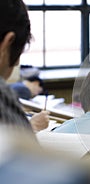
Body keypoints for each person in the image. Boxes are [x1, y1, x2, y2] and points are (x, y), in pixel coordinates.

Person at [0, 0, 49, 132]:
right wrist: (26, 129)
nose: (16, 63)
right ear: (8, 43)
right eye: (18, 54)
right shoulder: (3, 96)